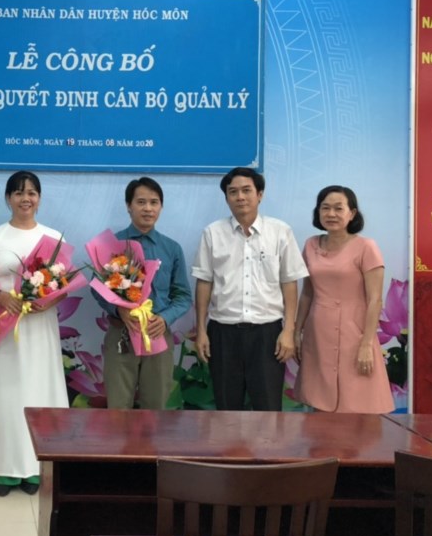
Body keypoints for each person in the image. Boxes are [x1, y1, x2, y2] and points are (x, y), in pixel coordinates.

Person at [0, 171, 67, 496]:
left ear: (39, 198)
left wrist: (49, 300)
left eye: (31, 193)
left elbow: (63, 285)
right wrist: (0, 296)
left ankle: (36, 469)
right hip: (4, 327)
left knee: (40, 392)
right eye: (18, 193)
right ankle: (3, 470)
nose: (25, 199)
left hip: (40, 327)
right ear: (8, 198)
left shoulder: (53, 238)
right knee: (5, 394)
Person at [192, 167, 309, 411]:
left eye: (247, 190)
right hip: (223, 333)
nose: (240, 197)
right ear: (226, 198)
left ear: (260, 195)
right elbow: (204, 282)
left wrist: (289, 330)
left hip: (267, 334)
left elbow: (289, 282)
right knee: (226, 409)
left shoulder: (280, 232)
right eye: (233, 192)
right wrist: (201, 330)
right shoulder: (212, 233)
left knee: (268, 409)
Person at [294, 186, 394, 413]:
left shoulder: (366, 247)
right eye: (325, 208)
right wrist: (296, 331)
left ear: (352, 213)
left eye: (338, 208)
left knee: (358, 403)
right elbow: (307, 293)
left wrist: (367, 343)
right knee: (320, 401)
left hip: (355, 332)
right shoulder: (310, 245)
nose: (331, 214)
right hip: (318, 332)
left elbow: (375, 299)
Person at [97, 177, 192, 409]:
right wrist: (118, 310)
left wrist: (165, 318)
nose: (148, 208)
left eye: (154, 202)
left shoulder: (171, 248)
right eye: (141, 202)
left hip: (157, 333)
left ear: (161, 207)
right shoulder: (112, 244)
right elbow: (98, 290)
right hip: (121, 333)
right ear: (128, 206)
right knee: (118, 409)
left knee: (155, 410)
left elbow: (183, 296)